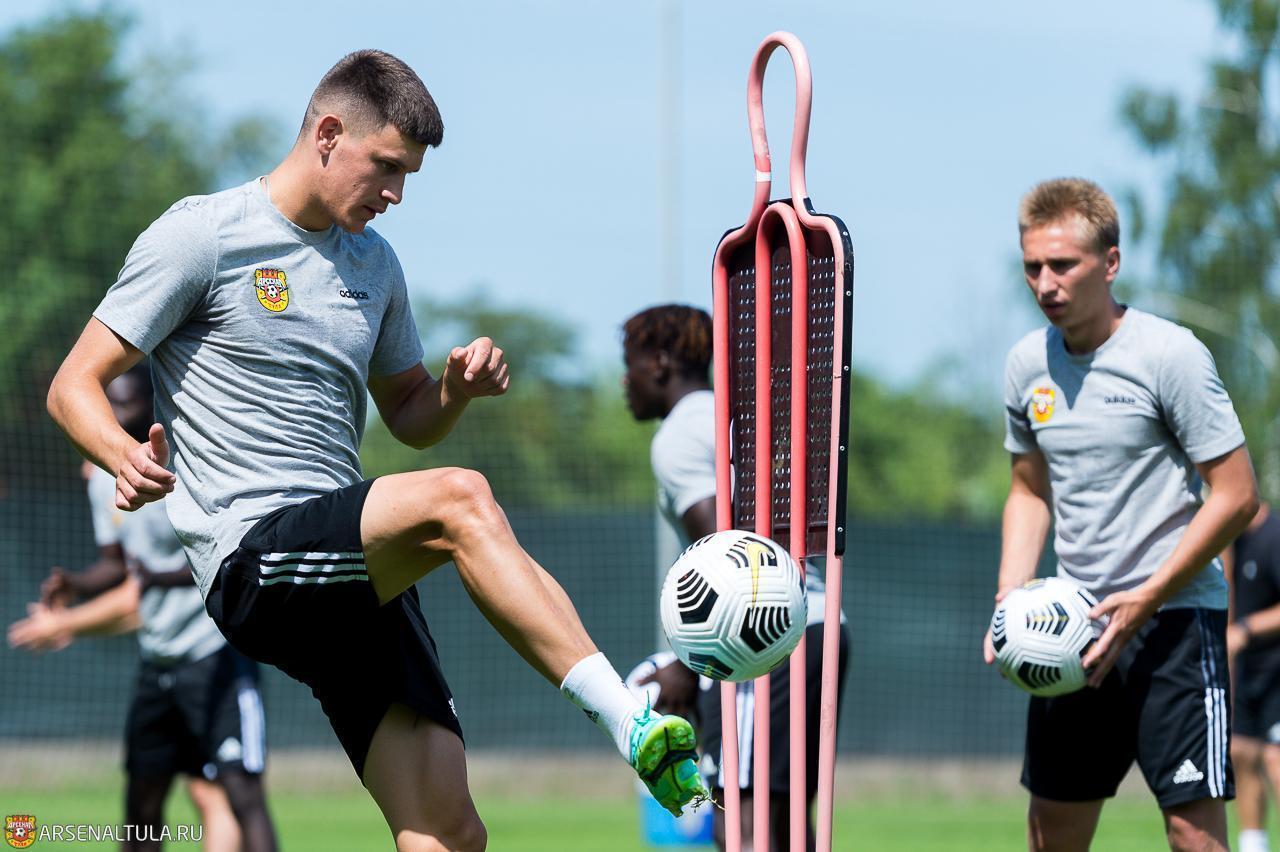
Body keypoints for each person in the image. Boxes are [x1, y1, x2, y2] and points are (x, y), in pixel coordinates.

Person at [45, 49, 705, 851]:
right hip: (254, 558)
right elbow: (74, 384)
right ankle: (630, 719)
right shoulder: (203, 235)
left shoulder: (376, 265)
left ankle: (621, 723)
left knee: (449, 830)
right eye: (386, 167)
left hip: (352, 569)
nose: (396, 194)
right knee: (460, 498)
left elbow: (410, 415)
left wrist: (453, 391)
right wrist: (122, 454)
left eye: (408, 176)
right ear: (328, 134)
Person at [983, 177, 1260, 852]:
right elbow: (1028, 490)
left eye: (1063, 265)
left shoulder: (1169, 355)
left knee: (1193, 836)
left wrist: (1145, 598)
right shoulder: (1026, 365)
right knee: (1052, 834)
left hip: (1173, 625)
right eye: (1032, 267)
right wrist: (1009, 597)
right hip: (1069, 630)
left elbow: (1236, 494)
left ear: (1109, 263)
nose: (1045, 283)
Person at [10, 365, 274, 852]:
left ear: (153, 407)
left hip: (213, 654)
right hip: (159, 660)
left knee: (239, 793)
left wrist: (144, 585)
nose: (117, 417)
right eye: (110, 406)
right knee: (142, 803)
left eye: (128, 405)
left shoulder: (191, 470)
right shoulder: (102, 478)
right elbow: (117, 565)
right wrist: (76, 583)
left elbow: (220, 558)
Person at [621, 304, 850, 852]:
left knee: (743, 824)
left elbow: (730, 568)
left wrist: (687, 664)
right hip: (818, 625)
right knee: (784, 823)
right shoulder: (734, 417)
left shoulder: (679, 436)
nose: (625, 381)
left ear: (659, 363)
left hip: (762, 638)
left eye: (629, 364)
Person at [1227, 502, 1280, 852]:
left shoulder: (1274, 536)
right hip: (1249, 671)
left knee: (1276, 757)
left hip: (1278, 670)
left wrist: (1245, 629)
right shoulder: (1233, 543)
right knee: (1242, 753)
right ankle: (1253, 846)